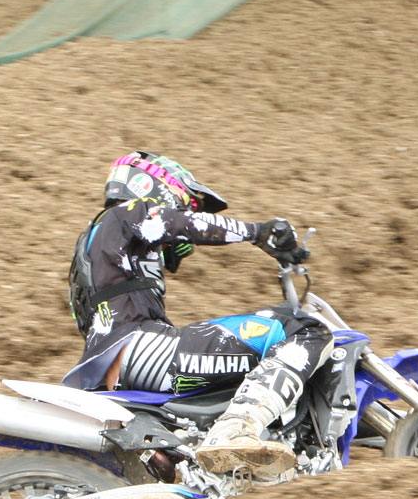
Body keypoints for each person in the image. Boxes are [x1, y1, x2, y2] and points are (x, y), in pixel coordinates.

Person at [62, 152, 331, 478]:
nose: (187, 210)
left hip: (119, 369)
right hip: (140, 349)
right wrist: (259, 232)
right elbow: (175, 223)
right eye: (186, 203)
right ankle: (235, 429)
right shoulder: (123, 214)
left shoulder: (99, 246)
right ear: (157, 186)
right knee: (301, 328)